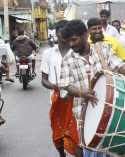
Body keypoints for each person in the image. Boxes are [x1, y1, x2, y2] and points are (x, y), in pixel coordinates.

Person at [58, 19, 125, 157]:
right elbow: (67, 86)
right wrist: (81, 93)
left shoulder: (103, 49)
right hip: (86, 118)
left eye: (74, 40)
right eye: (69, 41)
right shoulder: (68, 59)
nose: (71, 44)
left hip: (111, 113)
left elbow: (120, 66)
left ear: (85, 35)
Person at [41, 20, 79, 157]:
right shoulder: (48, 54)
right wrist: (54, 86)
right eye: (60, 31)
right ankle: (61, 154)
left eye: (65, 31)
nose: (63, 34)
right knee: (58, 130)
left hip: (75, 98)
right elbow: (44, 80)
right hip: (56, 100)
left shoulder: (76, 52)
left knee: (75, 131)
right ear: (56, 33)